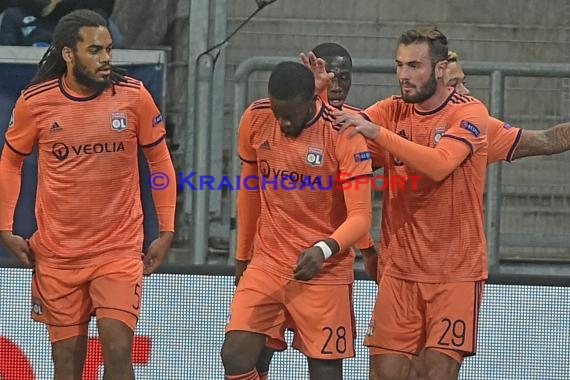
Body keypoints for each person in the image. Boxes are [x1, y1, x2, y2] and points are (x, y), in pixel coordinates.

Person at [0, 9, 176, 380]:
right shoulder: (36, 102)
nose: (106, 59)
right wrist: (5, 227)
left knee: (117, 349)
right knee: (67, 365)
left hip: (118, 249)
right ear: (68, 54)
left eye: (109, 49)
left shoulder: (133, 95)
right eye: (95, 50)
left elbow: (159, 162)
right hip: (58, 255)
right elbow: (10, 164)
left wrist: (167, 229)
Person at [327, 26, 490, 380]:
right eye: (399, 65)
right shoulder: (390, 111)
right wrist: (318, 99)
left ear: (442, 69)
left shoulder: (470, 113)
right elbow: (336, 142)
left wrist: (377, 134)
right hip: (399, 273)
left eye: (414, 65)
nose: (404, 75)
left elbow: (439, 165)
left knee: (433, 374)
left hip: (454, 274)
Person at [220, 61, 373, 380]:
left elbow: (360, 218)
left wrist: (324, 249)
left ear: (311, 101)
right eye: (278, 112)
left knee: (324, 370)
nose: (282, 121)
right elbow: (249, 194)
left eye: (290, 114)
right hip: (268, 264)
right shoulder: (256, 117)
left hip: (324, 271)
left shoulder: (343, 132)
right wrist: (242, 256)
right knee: (235, 355)